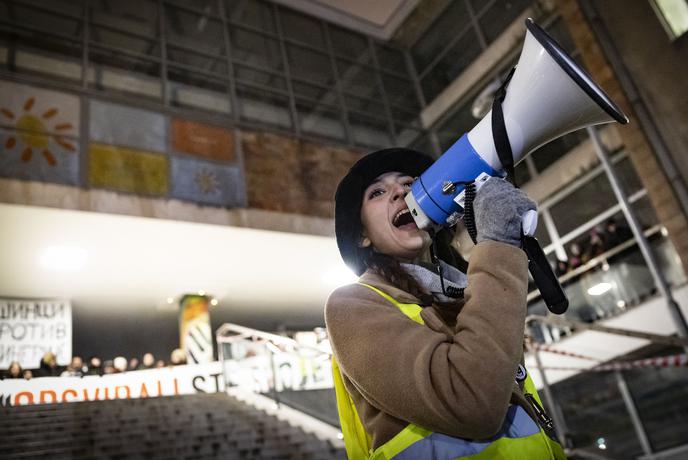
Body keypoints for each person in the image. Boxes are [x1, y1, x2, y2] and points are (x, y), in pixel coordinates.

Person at [326, 148, 566, 459]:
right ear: (361, 236)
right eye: (378, 192)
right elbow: (471, 401)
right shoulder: (353, 305)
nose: (401, 191)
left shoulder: (469, 292)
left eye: (410, 183)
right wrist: (497, 245)